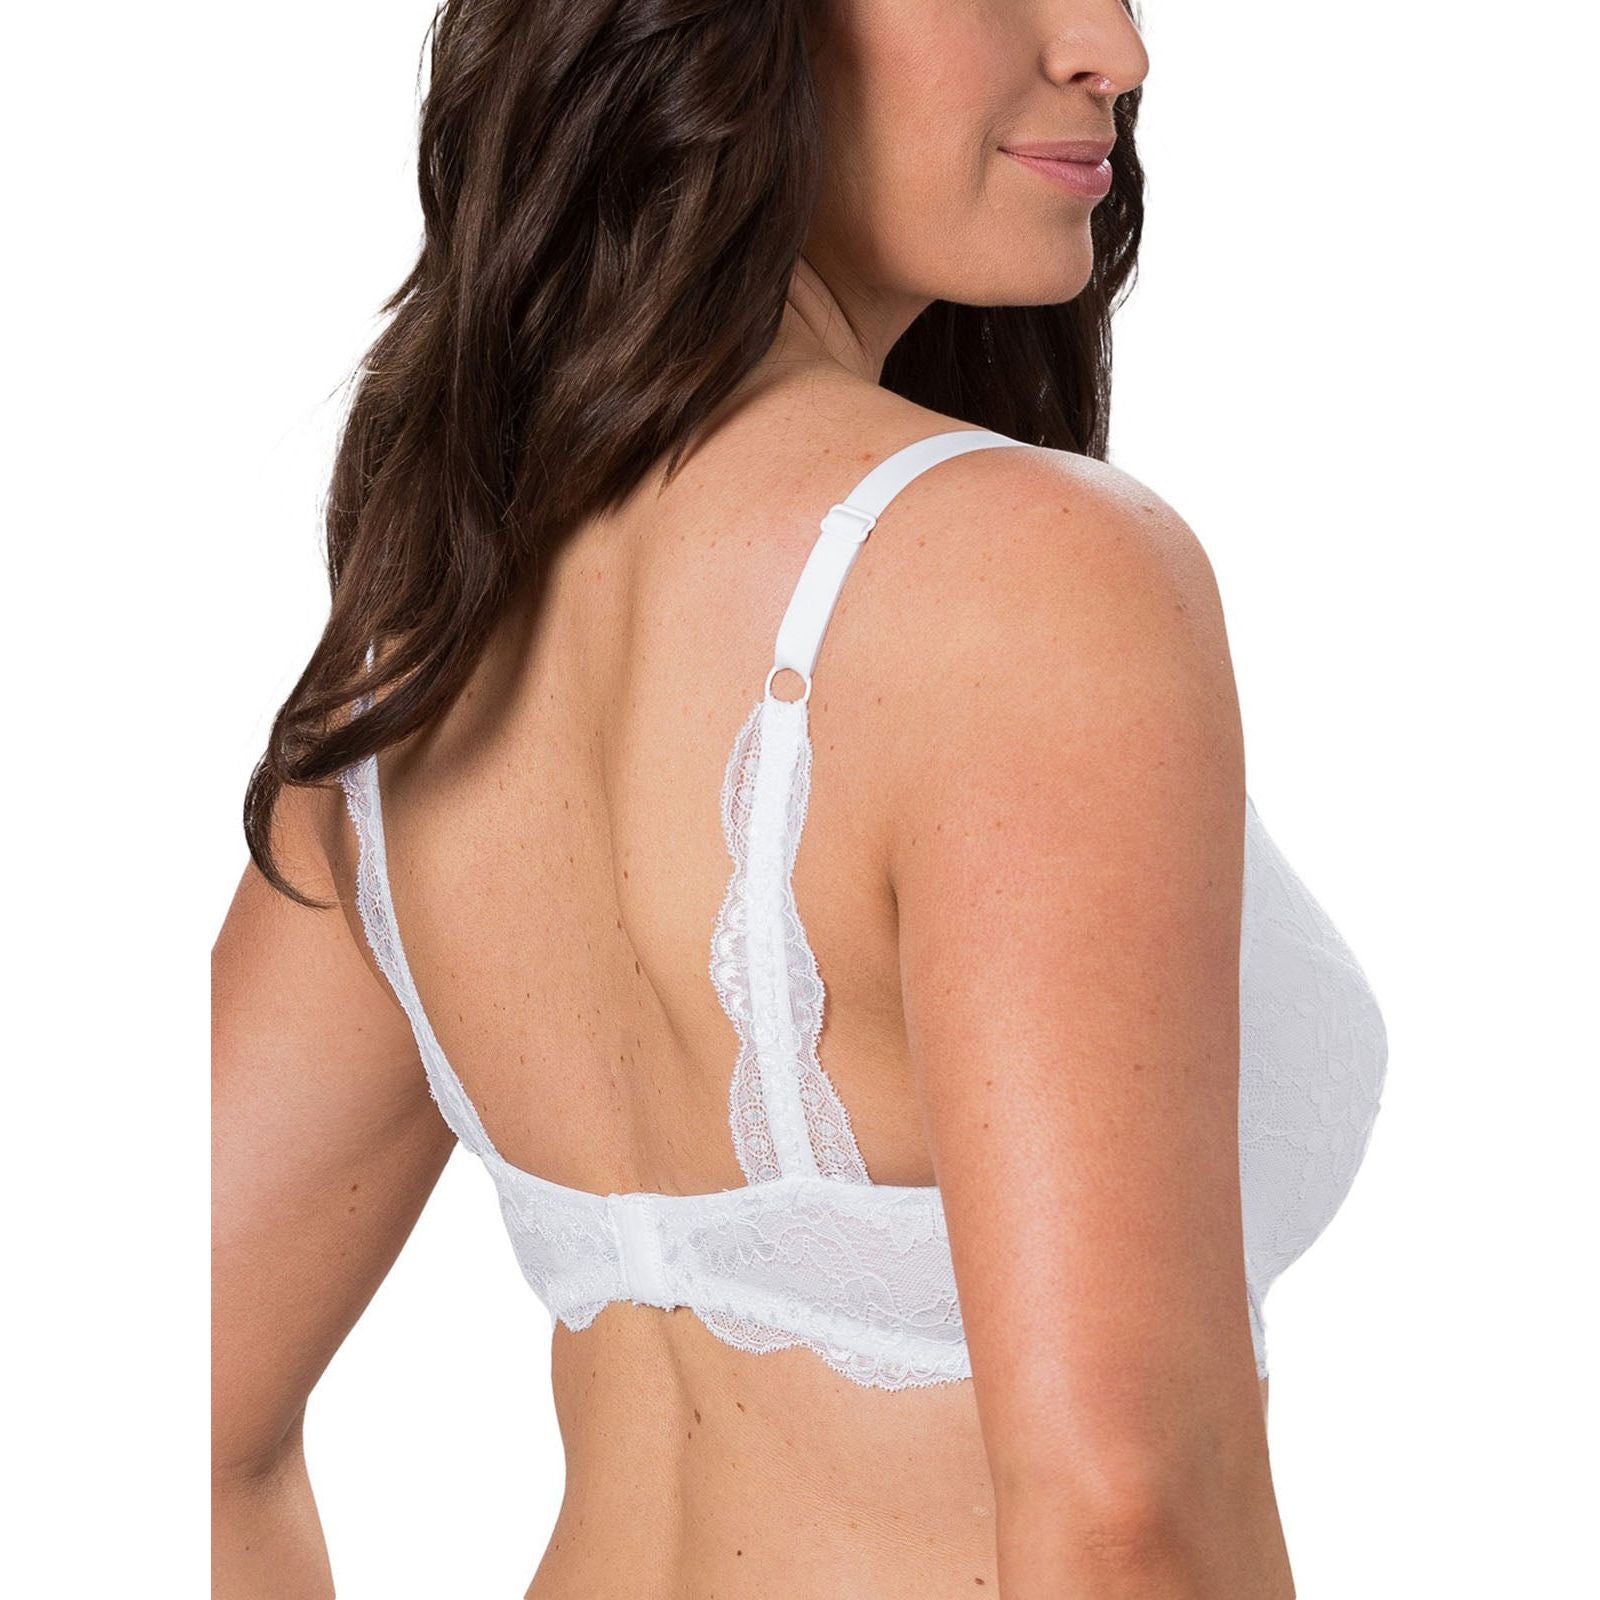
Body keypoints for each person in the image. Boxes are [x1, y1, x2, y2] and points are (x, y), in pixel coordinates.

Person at [213, 2, 1387, 1595]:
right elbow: (1124, 1511)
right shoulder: (1028, 577)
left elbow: (161, 1409)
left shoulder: (425, 644)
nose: (1113, 49)